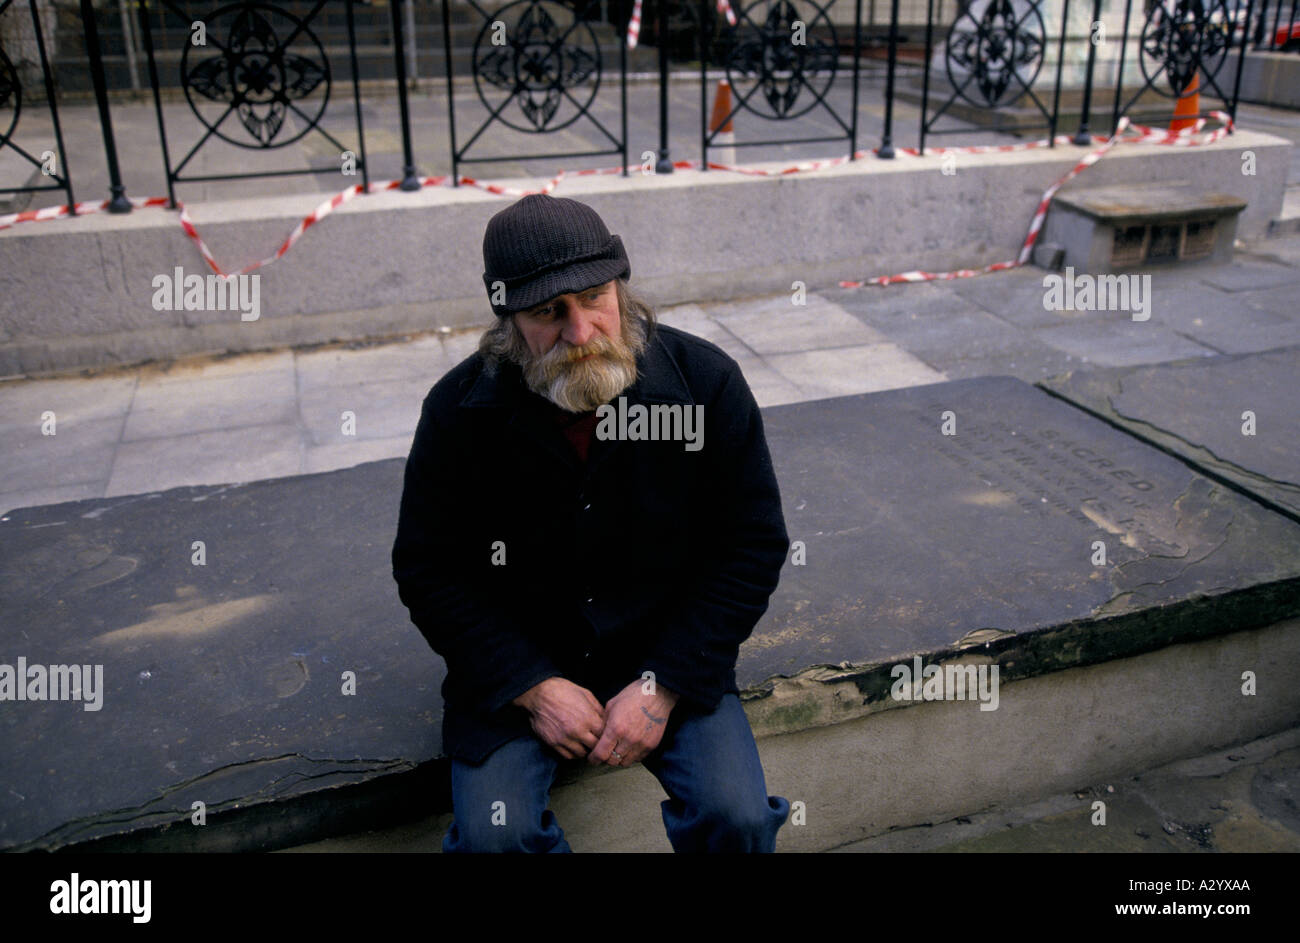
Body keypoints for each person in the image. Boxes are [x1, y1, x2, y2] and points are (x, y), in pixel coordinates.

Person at [391, 193, 790, 852]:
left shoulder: (707, 384)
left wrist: (662, 686)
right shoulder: (459, 412)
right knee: (498, 838)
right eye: (549, 312)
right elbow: (430, 569)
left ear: (620, 289)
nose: (580, 332)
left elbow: (749, 547)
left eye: (594, 298)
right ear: (510, 318)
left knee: (738, 817)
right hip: (520, 662)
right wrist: (531, 685)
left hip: (669, 653)